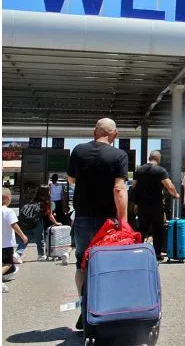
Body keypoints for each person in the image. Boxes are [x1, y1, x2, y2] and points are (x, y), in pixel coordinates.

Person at [67, 118, 129, 330]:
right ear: (115, 134)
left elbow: (71, 179)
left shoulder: (78, 150)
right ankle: (107, 311)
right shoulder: (119, 155)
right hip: (108, 221)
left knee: (82, 263)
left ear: (95, 131)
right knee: (110, 264)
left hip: (83, 217)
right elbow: (119, 189)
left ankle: (86, 310)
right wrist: (124, 220)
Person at [132, 150, 180, 260]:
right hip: (157, 205)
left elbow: (134, 187)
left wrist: (136, 203)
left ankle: (136, 250)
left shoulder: (139, 170)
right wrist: (176, 194)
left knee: (142, 228)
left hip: (142, 205)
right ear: (158, 159)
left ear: (149, 158)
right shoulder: (160, 170)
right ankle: (157, 253)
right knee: (158, 228)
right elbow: (169, 185)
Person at [16, 185, 63, 263]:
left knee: (26, 238)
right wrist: (56, 222)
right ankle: (41, 255)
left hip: (27, 222)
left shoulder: (34, 199)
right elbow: (50, 215)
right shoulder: (46, 201)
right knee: (40, 238)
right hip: (37, 221)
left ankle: (17, 254)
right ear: (47, 192)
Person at [3, 188, 28, 293]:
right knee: (8, 264)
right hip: (5, 243)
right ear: (8, 199)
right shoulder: (8, 211)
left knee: (8, 266)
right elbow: (14, 224)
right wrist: (23, 236)